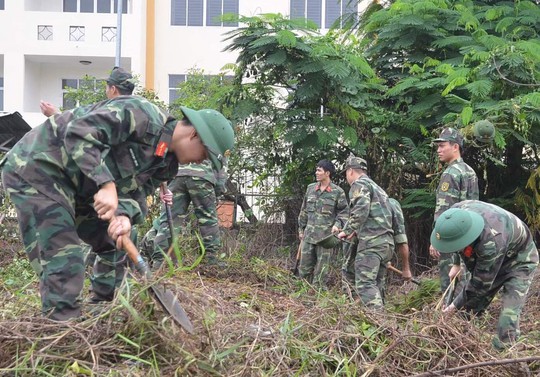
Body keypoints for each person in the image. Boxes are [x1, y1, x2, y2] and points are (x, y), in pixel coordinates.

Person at [0, 96, 234, 321]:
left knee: (120, 238)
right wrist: (106, 183)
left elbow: (138, 195)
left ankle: (102, 312)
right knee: (64, 257)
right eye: (204, 155)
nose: (198, 162)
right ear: (194, 135)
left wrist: (124, 216)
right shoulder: (141, 114)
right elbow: (79, 133)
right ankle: (62, 330)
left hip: (80, 187)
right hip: (39, 168)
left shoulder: (167, 164)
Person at [431, 200, 538, 350]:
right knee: (467, 309)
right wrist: (456, 264)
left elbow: (480, 285)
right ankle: (463, 345)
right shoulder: (456, 212)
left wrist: (453, 306)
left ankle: (505, 356)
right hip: (493, 256)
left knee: (508, 316)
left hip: (519, 261)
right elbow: (456, 241)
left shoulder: (490, 242)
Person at [142, 116, 229, 268]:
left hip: (178, 174)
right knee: (207, 219)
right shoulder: (218, 145)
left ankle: (161, 262)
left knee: (170, 219)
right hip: (203, 178)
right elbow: (221, 172)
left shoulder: (192, 138)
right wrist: (217, 191)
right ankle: (212, 260)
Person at [337, 155, 394, 310]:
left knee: (365, 285)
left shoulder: (359, 184)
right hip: (386, 244)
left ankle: (379, 323)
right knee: (376, 284)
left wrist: (347, 230)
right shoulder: (379, 189)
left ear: (350, 171)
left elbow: (361, 210)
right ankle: (384, 321)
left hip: (371, 243)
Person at [429, 127, 478, 302]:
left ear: (455, 146)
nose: (438, 150)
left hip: (451, 238)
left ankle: (451, 321)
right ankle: (466, 320)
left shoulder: (451, 173)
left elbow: (444, 212)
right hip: (469, 236)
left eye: (442, 146)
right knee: (465, 280)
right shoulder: (470, 172)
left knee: (449, 283)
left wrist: (437, 238)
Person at [297, 160, 349, 288]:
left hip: (325, 239)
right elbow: (304, 210)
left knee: (321, 272)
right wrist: (301, 229)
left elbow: (344, 213)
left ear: (327, 173)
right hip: (309, 236)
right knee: (304, 269)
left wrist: (337, 225)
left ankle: (318, 297)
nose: (316, 173)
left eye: (319, 170)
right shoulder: (310, 188)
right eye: (316, 170)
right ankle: (303, 295)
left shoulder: (337, 192)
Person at [40, 66, 135, 117]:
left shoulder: (108, 112)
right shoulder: (141, 110)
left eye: (107, 87)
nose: (106, 91)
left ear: (113, 89)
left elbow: (79, 127)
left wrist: (55, 114)